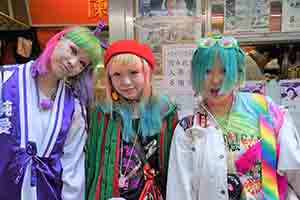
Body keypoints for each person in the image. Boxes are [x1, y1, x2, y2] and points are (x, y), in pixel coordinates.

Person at [166, 36, 300, 200]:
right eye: (207, 71)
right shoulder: (188, 129)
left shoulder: (265, 110)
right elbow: (179, 191)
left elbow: (294, 168)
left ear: (238, 73)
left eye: (224, 71)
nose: (215, 80)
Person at [0, 26, 102, 199]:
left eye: (82, 63)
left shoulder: (74, 108)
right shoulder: (5, 80)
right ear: (58, 39)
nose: (73, 62)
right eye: (72, 50)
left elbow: (72, 167)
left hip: (47, 192)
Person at [86, 39, 178, 200]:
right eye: (117, 75)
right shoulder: (102, 113)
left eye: (134, 73)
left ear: (146, 73)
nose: (126, 82)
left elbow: (174, 166)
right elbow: (91, 163)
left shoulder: (166, 112)